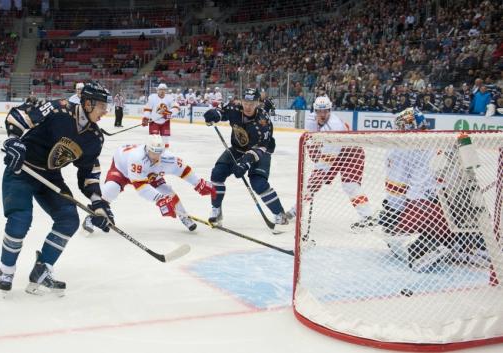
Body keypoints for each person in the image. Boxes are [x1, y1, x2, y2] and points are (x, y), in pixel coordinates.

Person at [0, 82, 113, 295]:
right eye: (101, 106)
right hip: (23, 170)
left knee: (69, 218)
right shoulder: (58, 109)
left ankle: (42, 270)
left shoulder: (94, 138)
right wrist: (14, 141)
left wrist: (98, 201)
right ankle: (6, 270)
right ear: (87, 103)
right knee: (20, 219)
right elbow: (19, 115)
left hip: (50, 177)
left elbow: (88, 171)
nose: (105, 111)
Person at [375, 107, 485, 272]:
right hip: (456, 207)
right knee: (456, 222)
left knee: (392, 234)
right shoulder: (441, 139)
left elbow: (396, 189)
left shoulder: (399, 149)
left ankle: (428, 247)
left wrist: (392, 213)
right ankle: (467, 244)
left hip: (422, 209)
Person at [82, 135, 216, 233]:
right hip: (122, 168)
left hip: (147, 173)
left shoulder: (168, 158)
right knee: (110, 190)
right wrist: (159, 200)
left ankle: (184, 216)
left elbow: (184, 170)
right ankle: (92, 216)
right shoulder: (137, 158)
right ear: (147, 149)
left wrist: (198, 183)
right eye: (153, 152)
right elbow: (140, 187)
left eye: (159, 153)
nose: (155, 156)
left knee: (168, 193)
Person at [203, 88, 290, 231]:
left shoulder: (263, 121)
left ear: (257, 103)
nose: (248, 106)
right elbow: (223, 112)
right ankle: (216, 210)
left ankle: (279, 214)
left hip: (261, 151)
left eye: (252, 103)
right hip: (237, 149)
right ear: (242, 101)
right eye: (245, 102)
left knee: (258, 183)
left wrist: (246, 162)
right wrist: (215, 114)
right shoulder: (234, 107)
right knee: (217, 174)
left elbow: (261, 147)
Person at [285, 96, 374, 229]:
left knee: (350, 185)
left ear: (329, 110)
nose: (322, 114)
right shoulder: (310, 120)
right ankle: (296, 210)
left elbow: (325, 162)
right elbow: (313, 141)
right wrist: (315, 153)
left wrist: (317, 174)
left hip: (351, 153)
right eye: (319, 111)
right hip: (333, 150)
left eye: (325, 111)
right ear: (314, 110)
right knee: (314, 182)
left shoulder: (333, 127)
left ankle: (367, 217)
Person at [142, 83, 180, 149]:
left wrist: (169, 113)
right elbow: (147, 109)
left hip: (165, 122)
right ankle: (152, 153)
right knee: (154, 139)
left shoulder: (169, 98)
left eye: (164, 90)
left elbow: (176, 107)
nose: (162, 91)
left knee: (165, 139)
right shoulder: (152, 97)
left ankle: (165, 153)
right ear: (157, 90)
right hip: (154, 121)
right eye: (161, 90)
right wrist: (146, 118)